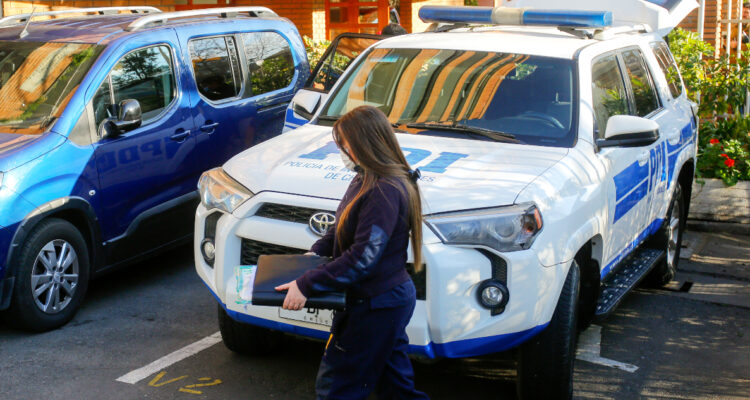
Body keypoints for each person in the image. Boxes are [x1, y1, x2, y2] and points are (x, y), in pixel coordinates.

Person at [275, 105, 429, 400]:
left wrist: (306, 284)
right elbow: (343, 224)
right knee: (395, 387)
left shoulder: (384, 189)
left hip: (375, 306)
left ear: (364, 143)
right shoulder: (366, 177)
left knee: (338, 388)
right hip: (384, 302)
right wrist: (315, 253)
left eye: (344, 145)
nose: (341, 153)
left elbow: (362, 258)